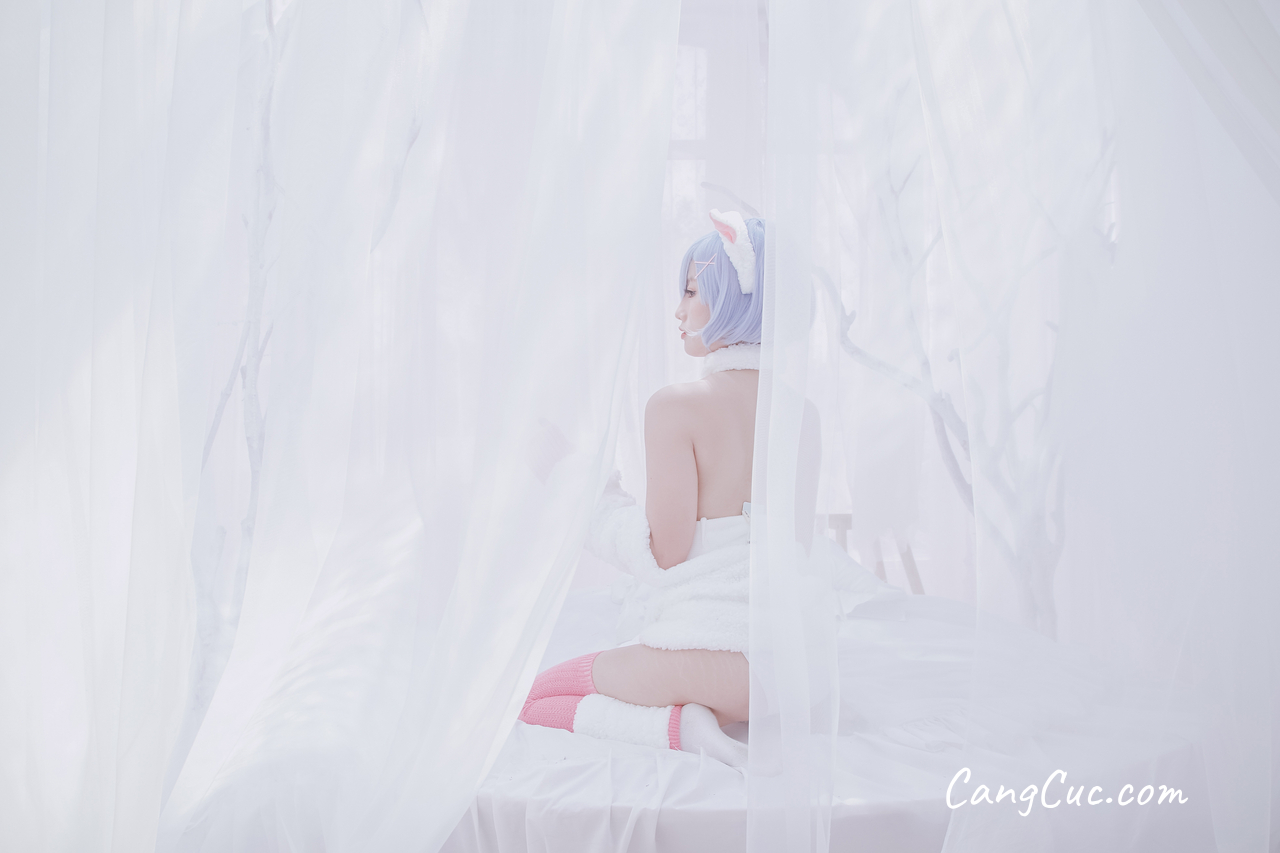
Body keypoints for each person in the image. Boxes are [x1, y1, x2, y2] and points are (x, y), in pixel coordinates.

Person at [516, 210, 765, 768]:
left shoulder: (677, 407)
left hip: (715, 656)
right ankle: (696, 718)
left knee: (529, 699)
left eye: (692, 291)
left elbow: (664, 553)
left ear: (733, 299)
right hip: (795, 670)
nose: (679, 310)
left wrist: (576, 481)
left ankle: (680, 728)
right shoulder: (803, 416)